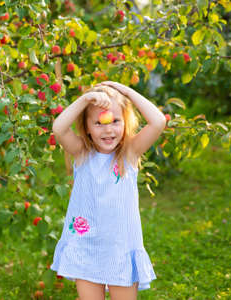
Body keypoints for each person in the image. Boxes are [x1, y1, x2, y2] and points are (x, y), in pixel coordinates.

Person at [50, 81, 166, 300]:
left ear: (125, 122)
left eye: (116, 121)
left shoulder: (129, 153)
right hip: (86, 246)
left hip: (121, 247)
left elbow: (158, 121)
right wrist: (85, 99)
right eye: (99, 123)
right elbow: (59, 128)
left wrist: (126, 92)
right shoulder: (82, 153)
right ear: (87, 128)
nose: (109, 130)